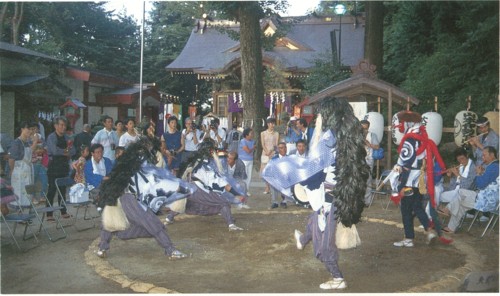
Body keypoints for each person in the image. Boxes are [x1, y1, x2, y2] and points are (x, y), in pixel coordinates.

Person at [263, 97, 369, 290]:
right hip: (340, 193)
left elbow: (314, 168)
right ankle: (302, 239)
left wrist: (290, 172)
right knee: (314, 220)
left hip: (329, 198)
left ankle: (337, 278)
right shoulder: (347, 136)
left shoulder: (328, 139)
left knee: (323, 240)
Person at [95, 137, 193, 260]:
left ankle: (102, 248)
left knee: (111, 221)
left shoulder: (127, 160)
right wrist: (177, 188)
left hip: (118, 196)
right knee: (153, 223)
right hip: (130, 200)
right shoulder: (140, 164)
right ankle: (170, 250)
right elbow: (150, 182)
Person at [390, 112, 444, 247]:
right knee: (417, 206)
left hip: (409, 180)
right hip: (420, 180)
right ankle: (429, 230)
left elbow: (406, 165)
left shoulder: (409, 140)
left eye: (401, 122)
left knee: (406, 209)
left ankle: (409, 238)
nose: (399, 125)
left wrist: (400, 184)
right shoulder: (422, 138)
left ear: (408, 123)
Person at [166, 140, 244, 231]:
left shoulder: (196, 160)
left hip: (188, 186)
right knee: (223, 202)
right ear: (210, 151)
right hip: (197, 188)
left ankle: (169, 218)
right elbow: (222, 183)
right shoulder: (206, 165)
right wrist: (237, 194)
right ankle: (231, 224)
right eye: (214, 150)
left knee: (187, 202)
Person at [440, 146, 499, 233]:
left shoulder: (494, 167)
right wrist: (482, 173)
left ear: (492, 155)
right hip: (484, 197)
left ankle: (447, 210)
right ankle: (450, 228)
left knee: (461, 193)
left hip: (486, 200)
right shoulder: (494, 166)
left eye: (484, 155)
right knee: (460, 203)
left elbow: (480, 185)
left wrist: (478, 174)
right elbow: (489, 182)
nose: (482, 158)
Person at [46, 116, 75, 221]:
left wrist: (66, 152)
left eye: (65, 125)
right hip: (53, 166)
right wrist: (65, 152)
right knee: (52, 190)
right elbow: (54, 150)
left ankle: (63, 211)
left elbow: (73, 151)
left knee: (63, 190)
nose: (63, 127)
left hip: (64, 166)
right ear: (56, 126)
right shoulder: (51, 137)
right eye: (61, 125)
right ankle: (49, 213)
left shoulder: (67, 138)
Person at [8, 121, 38, 206]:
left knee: (27, 193)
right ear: (22, 129)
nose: (30, 131)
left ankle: (26, 213)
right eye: (28, 129)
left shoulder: (27, 142)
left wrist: (35, 141)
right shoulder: (16, 142)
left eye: (32, 129)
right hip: (19, 171)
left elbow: (30, 151)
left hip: (27, 170)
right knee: (19, 193)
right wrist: (12, 170)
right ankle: (19, 213)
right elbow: (11, 159)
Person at [360, 119, 380, 206]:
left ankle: (367, 201)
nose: (364, 130)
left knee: (367, 179)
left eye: (365, 128)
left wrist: (369, 144)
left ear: (368, 128)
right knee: (358, 179)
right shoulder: (356, 135)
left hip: (368, 159)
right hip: (358, 159)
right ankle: (359, 200)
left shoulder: (372, 135)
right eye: (362, 128)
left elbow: (377, 147)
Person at [30, 124, 49, 203]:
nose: (34, 130)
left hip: (41, 163)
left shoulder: (41, 139)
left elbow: (46, 149)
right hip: (32, 163)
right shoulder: (28, 140)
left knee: (44, 180)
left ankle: (42, 196)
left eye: (36, 129)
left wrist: (41, 150)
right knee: (32, 181)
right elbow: (29, 151)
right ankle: (32, 197)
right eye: (32, 129)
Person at [260, 117, 279, 194]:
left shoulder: (276, 133)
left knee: (272, 171)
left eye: (274, 123)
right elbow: (262, 144)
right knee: (264, 171)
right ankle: (267, 187)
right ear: (268, 124)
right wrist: (266, 151)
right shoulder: (263, 133)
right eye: (271, 123)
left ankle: (272, 187)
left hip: (273, 153)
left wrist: (271, 151)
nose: (273, 125)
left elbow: (276, 145)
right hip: (265, 153)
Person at [270, 142, 291, 209]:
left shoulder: (290, 158)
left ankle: (284, 201)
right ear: (278, 150)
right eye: (281, 148)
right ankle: (275, 202)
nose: (284, 149)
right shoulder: (274, 159)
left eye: (285, 147)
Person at [238, 127, 255, 196]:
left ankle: (246, 190)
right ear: (246, 135)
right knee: (243, 176)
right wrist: (253, 148)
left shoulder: (253, 141)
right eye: (251, 133)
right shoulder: (243, 141)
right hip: (243, 160)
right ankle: (242, 190)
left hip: (250, 160)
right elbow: (247, 151)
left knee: (249, 176)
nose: (252, 134)